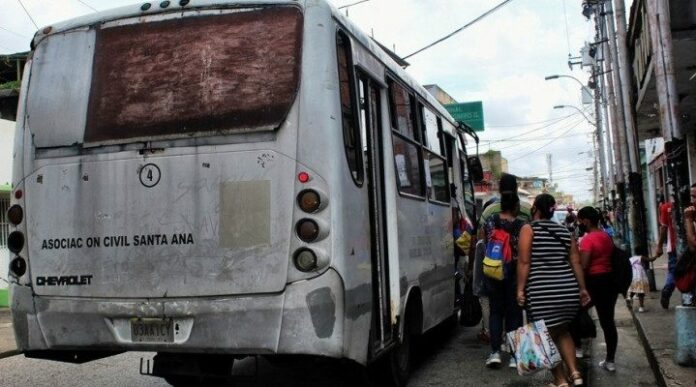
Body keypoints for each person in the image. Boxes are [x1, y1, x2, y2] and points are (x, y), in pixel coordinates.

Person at [517, 194, 591, 387]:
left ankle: (560, 380)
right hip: (567, 289)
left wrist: (520, 289)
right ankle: (575, 373)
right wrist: (582, 289)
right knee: (563, 332)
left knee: (545, 337)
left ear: (535, 209)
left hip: (542, 291)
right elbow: (575, 262)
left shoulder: (528, 229)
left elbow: (524, 262)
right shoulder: (565, 231)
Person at [479, 173, 525, 369]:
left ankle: (495, 352)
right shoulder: (523, 221)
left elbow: (482, 243)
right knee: (514, 313)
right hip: (514, 273)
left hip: (493, 271)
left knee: (496, 311)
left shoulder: (490, 217)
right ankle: (515, 356)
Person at [576, 206, 618, 372]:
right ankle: (610, 361)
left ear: (586, 220)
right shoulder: (606, 236)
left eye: (580, 220)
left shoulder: (587, 239)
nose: (579, 223)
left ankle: (579, 346)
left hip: (594, 282)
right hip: (609, 282)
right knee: (608, 321)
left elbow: (584, 265)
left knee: (575, 311)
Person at [655, 195, 678, 309]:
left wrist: (659, 246)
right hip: (683, 245)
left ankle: (667, 289)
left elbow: (663, 228)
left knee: (673, 270)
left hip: (673, 247)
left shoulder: (666, 207)